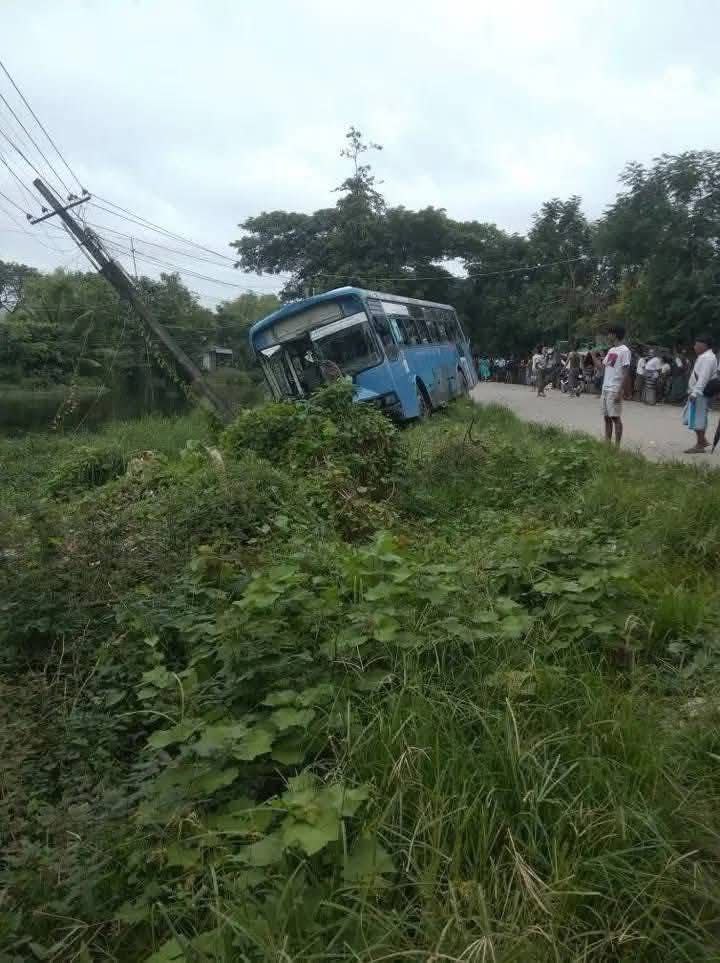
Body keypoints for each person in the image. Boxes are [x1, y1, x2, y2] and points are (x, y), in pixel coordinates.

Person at [683, 334, 718, 454]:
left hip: (700, 393)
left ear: (704, 345)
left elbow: (703, 377)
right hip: (699, 392)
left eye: (696, 345)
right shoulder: (705, 356)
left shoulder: (707, 358)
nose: (694, 347)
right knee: (695, 416)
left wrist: (695, 393)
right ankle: (702, 440)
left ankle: (700, 444)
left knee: (698, 417)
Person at [597, 325, 631, 446]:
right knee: (606, 417)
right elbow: (602, 367)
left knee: (615, 418)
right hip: (605, 388)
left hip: (615, 388)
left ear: (615, 335)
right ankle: (607, 444)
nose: (608, 336)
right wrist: (592, 356)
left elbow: (626, 372)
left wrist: (620, 390)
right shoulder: (611, 350)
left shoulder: (624, 350)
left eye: (609, 333)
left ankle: (617, 447)